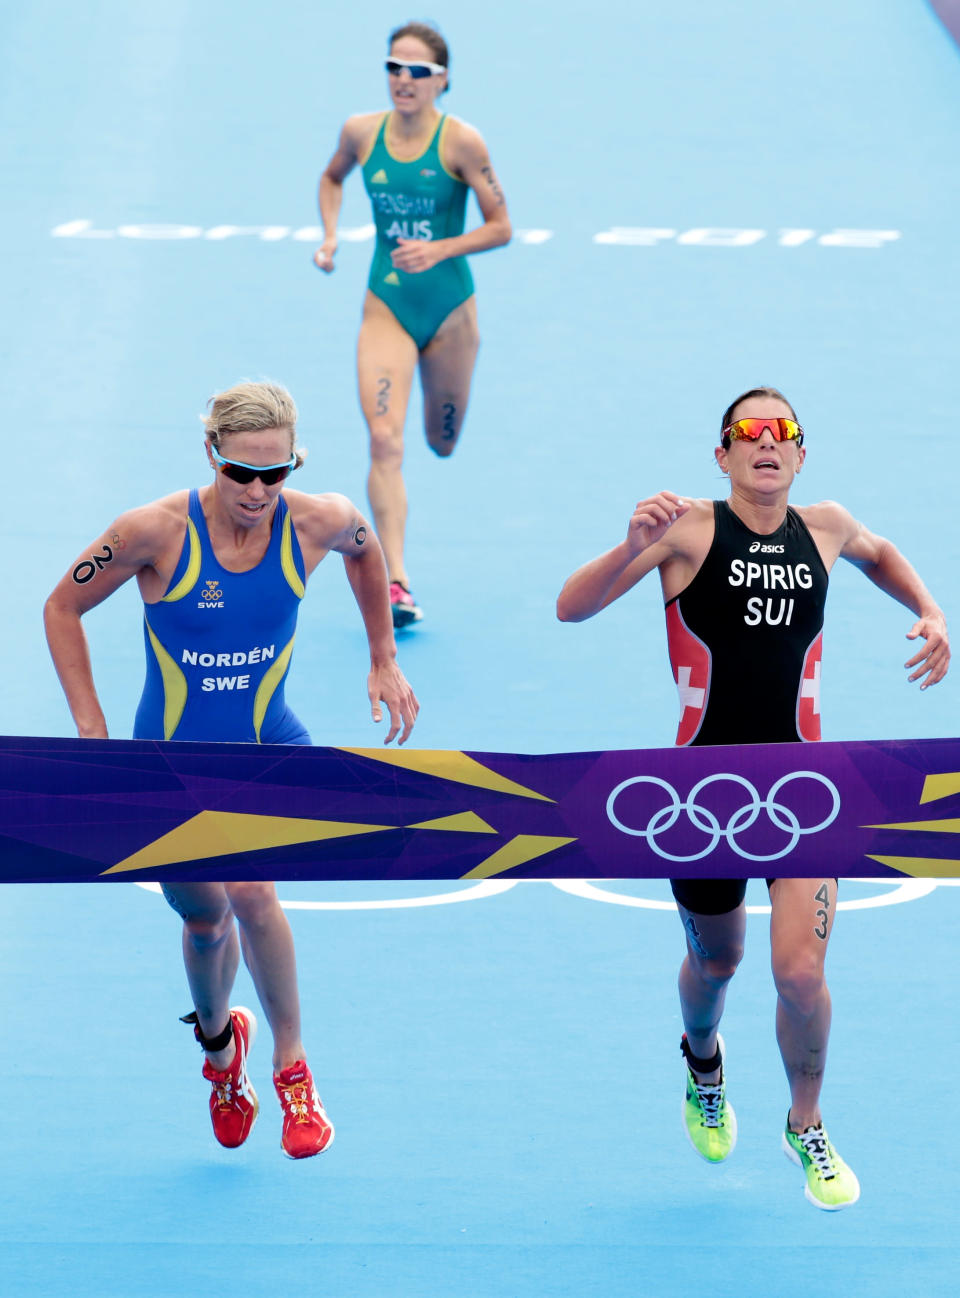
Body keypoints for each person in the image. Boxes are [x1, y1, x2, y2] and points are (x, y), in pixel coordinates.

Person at [556, 386, 950, 1209]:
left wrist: (929, 609)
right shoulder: (686, 530)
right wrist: (627, 543)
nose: (766, 443)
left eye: (783, 433)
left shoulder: (829, 525)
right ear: (723, 455)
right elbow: (572, 607)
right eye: (749, 432)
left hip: (805, 790)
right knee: (718, 962)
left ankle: (804, 1121)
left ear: (801, 455)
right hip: (700, 796)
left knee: (800, 975)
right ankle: (704, 1061)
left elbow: (879, 554)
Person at [44, 379, 419, 1159]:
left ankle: (293, 1068)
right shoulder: (151, 530)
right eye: (240, 472)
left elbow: (366, 550)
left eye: (274, 474)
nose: (257, 491)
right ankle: (221, 1051)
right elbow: (61, 608)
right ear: (210, 455)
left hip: (268, 745)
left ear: (293, 465)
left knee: (252, 892)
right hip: (170, 763)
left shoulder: (321, 520)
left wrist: (383, 656)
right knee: (205, 920)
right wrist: (90, 730)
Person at [314, 20, 512, 627]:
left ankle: (441, 429)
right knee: (384, 440)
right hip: (387, 304)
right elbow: (331, 176)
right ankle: (395, 581)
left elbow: (501, 227)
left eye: (418, 71)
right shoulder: (360, 131)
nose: (404, 79)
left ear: (441, 81)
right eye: (394, 67)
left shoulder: (463, 144)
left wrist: (442, 249)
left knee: (440, 442)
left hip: (450, 310)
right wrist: (328, 237)